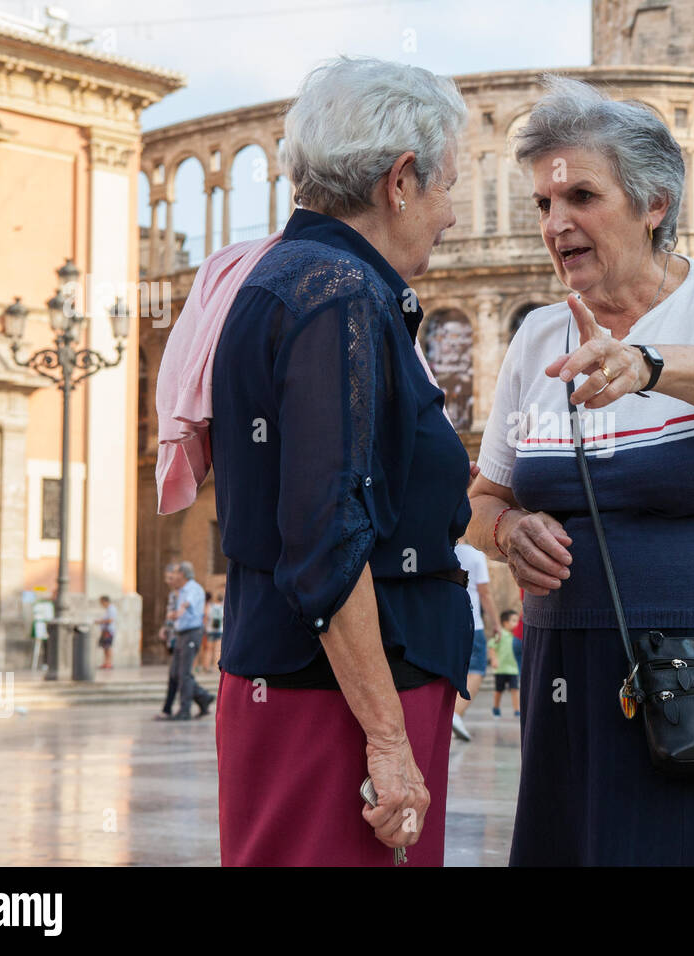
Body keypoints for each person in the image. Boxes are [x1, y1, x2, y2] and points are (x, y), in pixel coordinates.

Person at [465, 75, 694, 866]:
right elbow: (480, 501)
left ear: (653, 203)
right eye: (544, 204)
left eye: (582, 195)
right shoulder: (536, 337)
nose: (557, 222)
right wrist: (509, 529)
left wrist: (646, 364)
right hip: (568, 664)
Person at [199, 57, 472, 866]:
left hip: (314, 682)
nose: (451, 215)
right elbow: (325, 532)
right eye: (446, 187)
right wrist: (388, 741)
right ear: (399, 181)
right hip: (344, 703)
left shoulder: (292, 277)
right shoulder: (340, 295)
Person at [452, 540, 497, 742]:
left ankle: (450, 716)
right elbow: (485, 594)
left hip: (448, 623)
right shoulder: (476, 555)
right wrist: (495, 622)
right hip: (473, 623)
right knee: (478, 669)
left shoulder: (447, 550)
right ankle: (455, 714)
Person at [167, 562, 215, 720]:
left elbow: (188, 603)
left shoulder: (193, 588)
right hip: (181, 633)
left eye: (175, 572)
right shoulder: (181, 590)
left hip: (191, 633)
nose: (173, 576)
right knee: (175, 673)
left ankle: (185, 710)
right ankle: (203, 697)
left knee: (184, 674)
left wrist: (179, 612)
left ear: (182, 574)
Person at [155, 567, 181, 720]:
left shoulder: (182, 594)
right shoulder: (173, 595)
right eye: (167, 578)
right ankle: (203, 698)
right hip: (173, 638)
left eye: (171, 578)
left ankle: (167, 708)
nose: (168, 581)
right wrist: (165, 628)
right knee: (177, 674)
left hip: (180, 638)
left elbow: (176, 615)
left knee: (176, 674)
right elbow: (170, 616)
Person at [487, 612, 520, 718]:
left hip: (514, 669)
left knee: (515, 689)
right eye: (514, 620)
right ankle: (496, 708)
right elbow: (492, 646)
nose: (517, 623)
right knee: (499, 690)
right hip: (501, 669)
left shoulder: (517, 636)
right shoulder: (500, 634)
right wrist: (493, 659)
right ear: (505, 623)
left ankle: (517, 710)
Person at [203, 590, 224, 672]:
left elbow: (206, 617)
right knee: (217, 650)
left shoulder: (210, 606)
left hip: (210, 630)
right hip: (219, 630)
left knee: (208, 650)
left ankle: (206, 667)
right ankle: (216, 667)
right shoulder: (223, 607)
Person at [95, 595, 117, 670]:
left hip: (109, 631)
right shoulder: (108, 609)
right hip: (105, 631)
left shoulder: (111, 609)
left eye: (101, 602)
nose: (101, 604)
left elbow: (110, 620)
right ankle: (106, 662)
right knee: (105, 647)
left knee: (108, 647)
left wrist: (100, 621)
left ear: (105, 601)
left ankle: (109, 663)